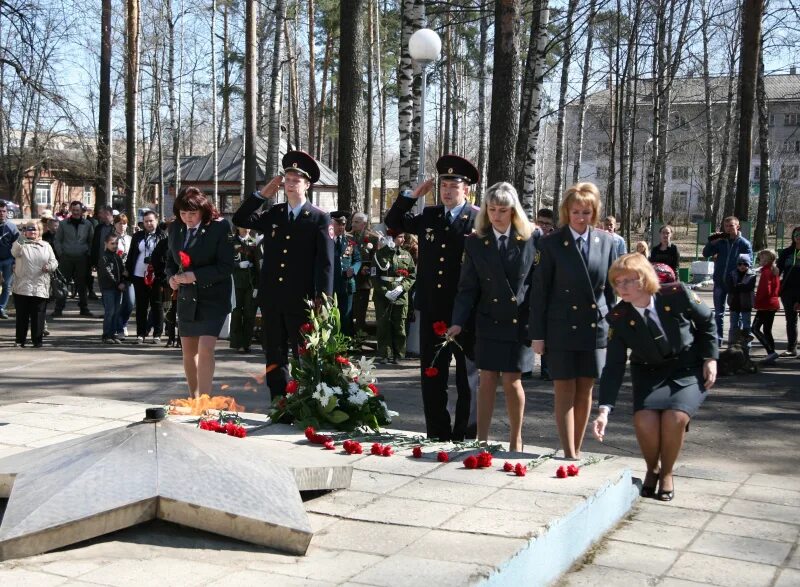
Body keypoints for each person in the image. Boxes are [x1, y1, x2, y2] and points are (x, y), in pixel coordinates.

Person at [593, 254, 718, 501]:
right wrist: (604, 409)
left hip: (687, 367)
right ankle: (653, 468)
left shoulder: (676, 294)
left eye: (629, 280)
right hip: (649, 372)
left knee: (675, 417)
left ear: (645, 278)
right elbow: (614, 366)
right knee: (645, 422)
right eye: (617, 282)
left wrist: (710, 358)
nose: (623, 287)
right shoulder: (618, 318)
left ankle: (667, 473)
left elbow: (707, 321)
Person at [384, 154, 481, 441]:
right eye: (444, 185)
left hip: (466, 313)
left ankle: (466, 433)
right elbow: (394, 221)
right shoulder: (430, 216)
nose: (447, 190)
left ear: (466, 189)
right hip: (433, 308)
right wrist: (412, 196)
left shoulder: (478, 218)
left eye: (454, 185)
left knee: (468, 379)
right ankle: (437, 432)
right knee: (432, 374)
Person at [232, 150, 334, 403]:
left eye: (296, 180)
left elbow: (325, 264)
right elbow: (240, 218)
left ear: (307, 185)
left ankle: (306, 400)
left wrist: (324, 299)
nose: (290, 184)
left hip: (303, 299)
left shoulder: (320, 218)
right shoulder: (275, 214)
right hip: (273, 298)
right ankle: (279, 401)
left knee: (304, 353)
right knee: (274, 354)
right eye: (287, 179)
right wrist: (262, 194)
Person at [531, 182, 618, 459]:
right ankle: (569, 452)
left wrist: (616, 327)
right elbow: (540, 293)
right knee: (564, 390)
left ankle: (577, 449)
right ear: (566, 212)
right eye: (576, 211)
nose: (581, 217)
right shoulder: (550, 243)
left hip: (595, 327)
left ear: (595, 213)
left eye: (587, 212)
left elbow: (613, 290)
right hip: (561, 327)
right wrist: (538, 334)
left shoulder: (607, 242)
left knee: (585, 391)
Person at [448, 182, 538, 452]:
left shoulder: (532, 238)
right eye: (492, 209)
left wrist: (539, 327)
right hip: (488, 319)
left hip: (519, 321)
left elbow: (537, 285)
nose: (497, 215)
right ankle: (482, 439)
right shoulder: (476, 242)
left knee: (512, 381)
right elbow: (467, 287)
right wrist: (457, 321)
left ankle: (516, 439)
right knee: (486, 379)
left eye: (503, 209)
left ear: (514, 211)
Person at [165, 187, 234, 399]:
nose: (188, 219)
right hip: (188, 297)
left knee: (205, 348)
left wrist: (195, 275)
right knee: (188, 352)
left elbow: (226, 266)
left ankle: (204, 401)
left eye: (192, 214)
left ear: (203, 211)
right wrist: (171, 278)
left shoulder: (219, 228)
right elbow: (170, 260)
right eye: (183, 214)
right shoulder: (176, 228)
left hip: (213, 296)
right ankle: (193, 398)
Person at [702, 216, 753, 344]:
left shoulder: (744, 244)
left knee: (737, 314)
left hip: (735, 284)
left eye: (731, 225)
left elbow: (748, 264)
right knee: (718, 313)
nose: (729, 228)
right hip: (719, 281)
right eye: (726, 226)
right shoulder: (721, 242)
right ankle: (718, 340)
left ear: (738, 226)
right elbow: (706, 253)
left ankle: (736, 340)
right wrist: (711, 242)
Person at [371, 230, 416, 363]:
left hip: (401, 295)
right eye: (399, 237)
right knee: (384, 325)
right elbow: (374, 276)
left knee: (399, 326)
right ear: (391, 238)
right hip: (382, 296)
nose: (402, 240)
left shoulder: (406, 255)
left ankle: (398, 355)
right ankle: (385, 354)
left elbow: (412, 275)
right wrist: (385, 291)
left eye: (403, 237)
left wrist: (402, 287)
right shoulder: (380, 254)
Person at [11, 221, 58, 347]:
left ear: (40, 231)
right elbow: (14, 252)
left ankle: (37, 340)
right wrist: (21, 236)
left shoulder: (46, 245)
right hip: (22, 286)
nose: (32, 231)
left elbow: (54, 262)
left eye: (35, 229)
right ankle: (20, 340)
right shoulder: (20, 244)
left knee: (38, 315)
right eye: (29, 229)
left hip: (40, 285)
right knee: (22, 315)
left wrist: (49, 266)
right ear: (25, 231)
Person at [125, 210, 166, 343]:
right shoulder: (138, 236)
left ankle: (157, 334)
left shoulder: (163, 236)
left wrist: (163, 272)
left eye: (151, 221)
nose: (148, 223)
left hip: (156, 275)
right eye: (146, 221)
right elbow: (131, 255)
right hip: (139, 274)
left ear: (157, 220)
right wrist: (128, 272)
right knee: (141, 306)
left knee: (157, 305)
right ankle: (140, 334)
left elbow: (166, 257)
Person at [52, 201, 94, 318]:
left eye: (78, 210)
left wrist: (88, 254)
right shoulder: (64, 224)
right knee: (62, 283)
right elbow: (57, 240)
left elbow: (91, 241)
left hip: (82, 258)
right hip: (66, 258)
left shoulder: (87, 225)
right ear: (71, 210)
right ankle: (58, 308)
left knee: (82, 284)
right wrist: (61, 253)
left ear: (81, 211)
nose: (76, 212)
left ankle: (84, 308)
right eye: (74, 210)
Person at [330, 211, 361, 337]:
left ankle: (345, 345)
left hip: (347, 285)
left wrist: (353, 269)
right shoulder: (326, 240)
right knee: (330, 316)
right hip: (331, 285)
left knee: (346, 316)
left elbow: (357, 259)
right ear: (332, 225)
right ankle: (330, 345)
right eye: (339, 225)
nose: (342, 227)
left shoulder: (350, 241)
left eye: (343, 225)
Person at [230, 225, 260, 353]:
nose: (246, 228)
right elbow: (224, 262)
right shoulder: (231, 242)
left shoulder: (254, 243)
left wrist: (257, 286)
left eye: (248, 226)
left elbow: (259, 264)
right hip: (236, 283)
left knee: (249, 313)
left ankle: (246, 343)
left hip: (250, 283)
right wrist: (237, 265)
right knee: (237, 313)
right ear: (237, 227)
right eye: (243, 225)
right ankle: (236, 342)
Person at [350, 211, 378, 336]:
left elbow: (376, 259)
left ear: (364, 224)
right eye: (353, 221)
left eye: (357, 222)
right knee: (349, 312)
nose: (353, 224)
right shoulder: (348, 236)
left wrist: (367, 269)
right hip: (349, 280)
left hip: (363, 281)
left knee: (361, 313)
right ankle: (348, 338)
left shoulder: (373, 238)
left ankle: (359, 340)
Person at [97, 233, 128, 344]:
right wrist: (118, 283)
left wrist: (123, 281)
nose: (114, 245)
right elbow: (107, 273)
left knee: (116, 311)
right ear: (106, 243)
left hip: (118, 288)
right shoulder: (104, 257)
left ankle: (113, 333)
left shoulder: (117, 257)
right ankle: (106, 335)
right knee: (110, 311)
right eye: (112, 243)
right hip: (108, 288)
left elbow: (123, 270)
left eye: (116, 243)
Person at [752, 249, 780, 364]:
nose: (760, 259)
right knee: (767, 330)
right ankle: (771, 353)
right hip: (772, 303)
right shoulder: (774, 270)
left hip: (765, 304)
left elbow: (765, 290)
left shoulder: (766, 272)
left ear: (768, 259)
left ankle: (771, 351)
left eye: (762, 258)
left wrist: (756, 301)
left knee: (754, 328)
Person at [777, 227, 800, 357]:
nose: (798, 236)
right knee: (791, 320)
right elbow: (778, 270)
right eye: (796, 234)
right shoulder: (787, 252)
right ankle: (791, 348)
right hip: (787, 291)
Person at [725, 254, 756, 348]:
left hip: (746, 303)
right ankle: (732, 344)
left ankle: (747, 345)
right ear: (737, 265)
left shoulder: (752, 275)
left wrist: (738, 286)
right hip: (734, 303)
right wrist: (740, 286)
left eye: (745, 264)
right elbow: (730, 288)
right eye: (740, 264)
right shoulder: (732, 274)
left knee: (746, 324)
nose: (742, 266)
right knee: (734, 324)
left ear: (748, 265)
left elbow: (749, 287)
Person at [111, 214, 133, 339]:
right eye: (119, 223)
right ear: (114, 224)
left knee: (130, 302)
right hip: (115, 274)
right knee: (116, 303)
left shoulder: (130, 239)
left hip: (128, 275)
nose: (122, 226)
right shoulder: (111, 238)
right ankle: (118, 328)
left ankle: (123, 322)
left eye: (124, 223)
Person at [88, 204, 114, 300]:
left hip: (113, 263)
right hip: (100, 262)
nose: (99, 215)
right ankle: (106, 309)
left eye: (101, 213)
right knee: (103, 286)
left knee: (112, 285)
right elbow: (95, 245)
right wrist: (94, 262)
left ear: (107, 213)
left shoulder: (116, 227)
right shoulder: (98, 228)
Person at [0, 200, 20, 319]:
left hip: (8, 260)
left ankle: (1, 307)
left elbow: (19, 243)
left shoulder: (12, 227)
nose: (1, 214)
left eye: (4, 211)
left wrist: (15, 261)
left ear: (7, 212)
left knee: (7, 285)